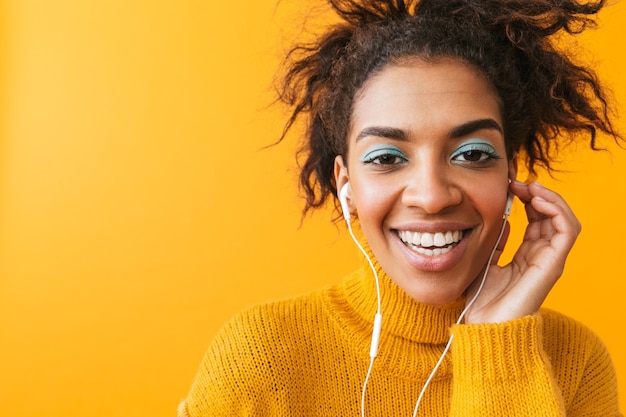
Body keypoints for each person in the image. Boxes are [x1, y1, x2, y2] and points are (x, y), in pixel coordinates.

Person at [179, 0, 623, 415]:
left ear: (511, 179)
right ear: (346, 185)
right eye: (387, 158)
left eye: (471, 154)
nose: (431, 197)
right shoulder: (261, 357)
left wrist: (497, 342)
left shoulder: (575, 362)